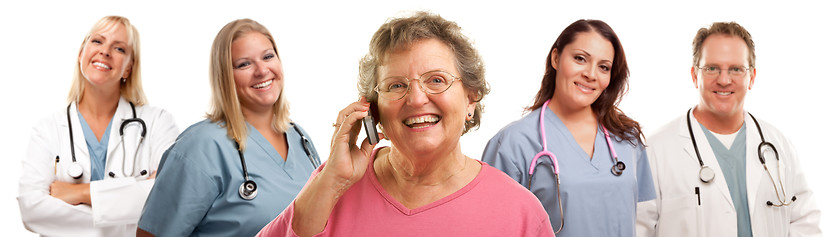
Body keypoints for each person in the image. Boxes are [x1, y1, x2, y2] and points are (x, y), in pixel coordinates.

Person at [257, 11, 552, 236]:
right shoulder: (332, 183)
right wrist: (331, 182)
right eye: (396, 86)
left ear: (470, 100)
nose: (416, 98)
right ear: (373, 111)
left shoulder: (520, 212)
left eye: (436, 80)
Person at [136, 18, 321, 237]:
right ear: (225, 76)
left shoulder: (301, 139)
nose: (262, 70)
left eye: (268, 56)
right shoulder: (201, 146)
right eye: (244, 64)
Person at [635, 22, 821, 237]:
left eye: (736, 69)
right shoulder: (655, 150)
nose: (724, 80)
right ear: (695, 75)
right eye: (712, 68)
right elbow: (639, 229)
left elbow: (805, 222)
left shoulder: (779, 146)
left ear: (751, 77)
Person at [482, 19, 656, 236]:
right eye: (580, 58)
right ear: (556, 58)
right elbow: (492, 225)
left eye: (604, 67)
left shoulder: (627, 139)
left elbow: (645, 220)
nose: (591, 74)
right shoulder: (513, 143)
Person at [17, 16, 180, 236]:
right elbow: (32, 210)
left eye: (119, 48)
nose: (105, 51)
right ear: (80, 54)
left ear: (128, 68)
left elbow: (170, 195)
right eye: (97, 41)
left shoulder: (158, 122)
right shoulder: (48, 129)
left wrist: (80, 193)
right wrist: (128, 217)